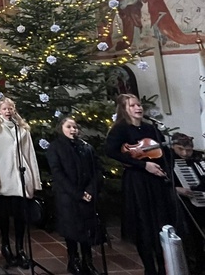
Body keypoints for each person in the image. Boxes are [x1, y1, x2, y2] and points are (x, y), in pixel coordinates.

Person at [105, 94, 175, 275]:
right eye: (133, 105)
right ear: (124, 109)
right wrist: (143, 165)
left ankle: (163, 266)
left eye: (139, 105)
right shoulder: (120, 129)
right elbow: (111, 151)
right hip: (137, 182)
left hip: (156, 181)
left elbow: (162, 152)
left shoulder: (150, 128)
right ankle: (149, 268)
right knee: (144, 225)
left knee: (161, 222)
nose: (138, 108)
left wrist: (164, 169)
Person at [0, 97, 41, 269]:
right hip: (4, 176)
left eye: (10, 108)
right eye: (4, 109)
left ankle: (20, 248)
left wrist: (35, 179)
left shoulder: (22, 128)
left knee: (21, 216)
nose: (8, 111)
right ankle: (5, 246)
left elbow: (30, 153)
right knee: (4, 215)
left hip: (21, 176)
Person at [47, 117, 103, 275]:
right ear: (61, 128)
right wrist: (78, 193)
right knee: (71, 230)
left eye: (75, 127)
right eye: (69, 126)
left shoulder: (85, 147)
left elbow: (97, 170)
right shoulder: (55, 147)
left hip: (87, 194)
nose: (73, 130)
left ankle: (88, 261)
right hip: (68, 196)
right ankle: (73, 260)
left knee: (86, 230)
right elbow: (58, 173)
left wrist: (90, 190)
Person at [169, 132, 205, 273]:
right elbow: (161, 183)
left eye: (188, 150)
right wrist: (176, 189)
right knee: (189, 235)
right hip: (180, 205)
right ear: (173, 147)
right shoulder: (167, 160)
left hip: (199, 202)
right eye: (180, 149)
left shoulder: (197, 159)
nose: (185, 153)